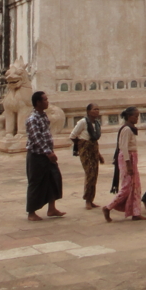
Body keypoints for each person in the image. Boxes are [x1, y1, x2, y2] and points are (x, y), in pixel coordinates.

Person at [25, 91, 66, 221]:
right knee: (36, 183)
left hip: (47, 153)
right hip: (37, 155)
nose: (47, 102)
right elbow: (36, 138)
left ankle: (52, 208)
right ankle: (31, 212)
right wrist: (48, 152)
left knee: (53, 179)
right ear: (38, 102)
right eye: (45, 100)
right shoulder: (33, 119)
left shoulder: (43, 116)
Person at [103, 107, 146, 222]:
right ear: (129, 117)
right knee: (127, 187)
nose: (137, 118)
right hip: (127, 159)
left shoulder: (131, 129)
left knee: (135, 186)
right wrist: (128, 164)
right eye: (135, 116)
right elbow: (123, 147)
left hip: (132, 157)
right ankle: (109, 207)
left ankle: (135, 212)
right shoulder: (126, 129)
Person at [68, 104, 104, 209]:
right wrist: (81, 146)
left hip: (94, 148)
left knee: (95, 174)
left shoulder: (97, 123)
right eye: (94, 109)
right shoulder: (83, 122)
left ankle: (91, 199)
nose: (96, 111)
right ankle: (87, 200)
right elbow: (73, 136)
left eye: (98, 109)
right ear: (88, 111)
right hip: (85, 149)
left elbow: (94, 140)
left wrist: (99, 155)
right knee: (90, 173)